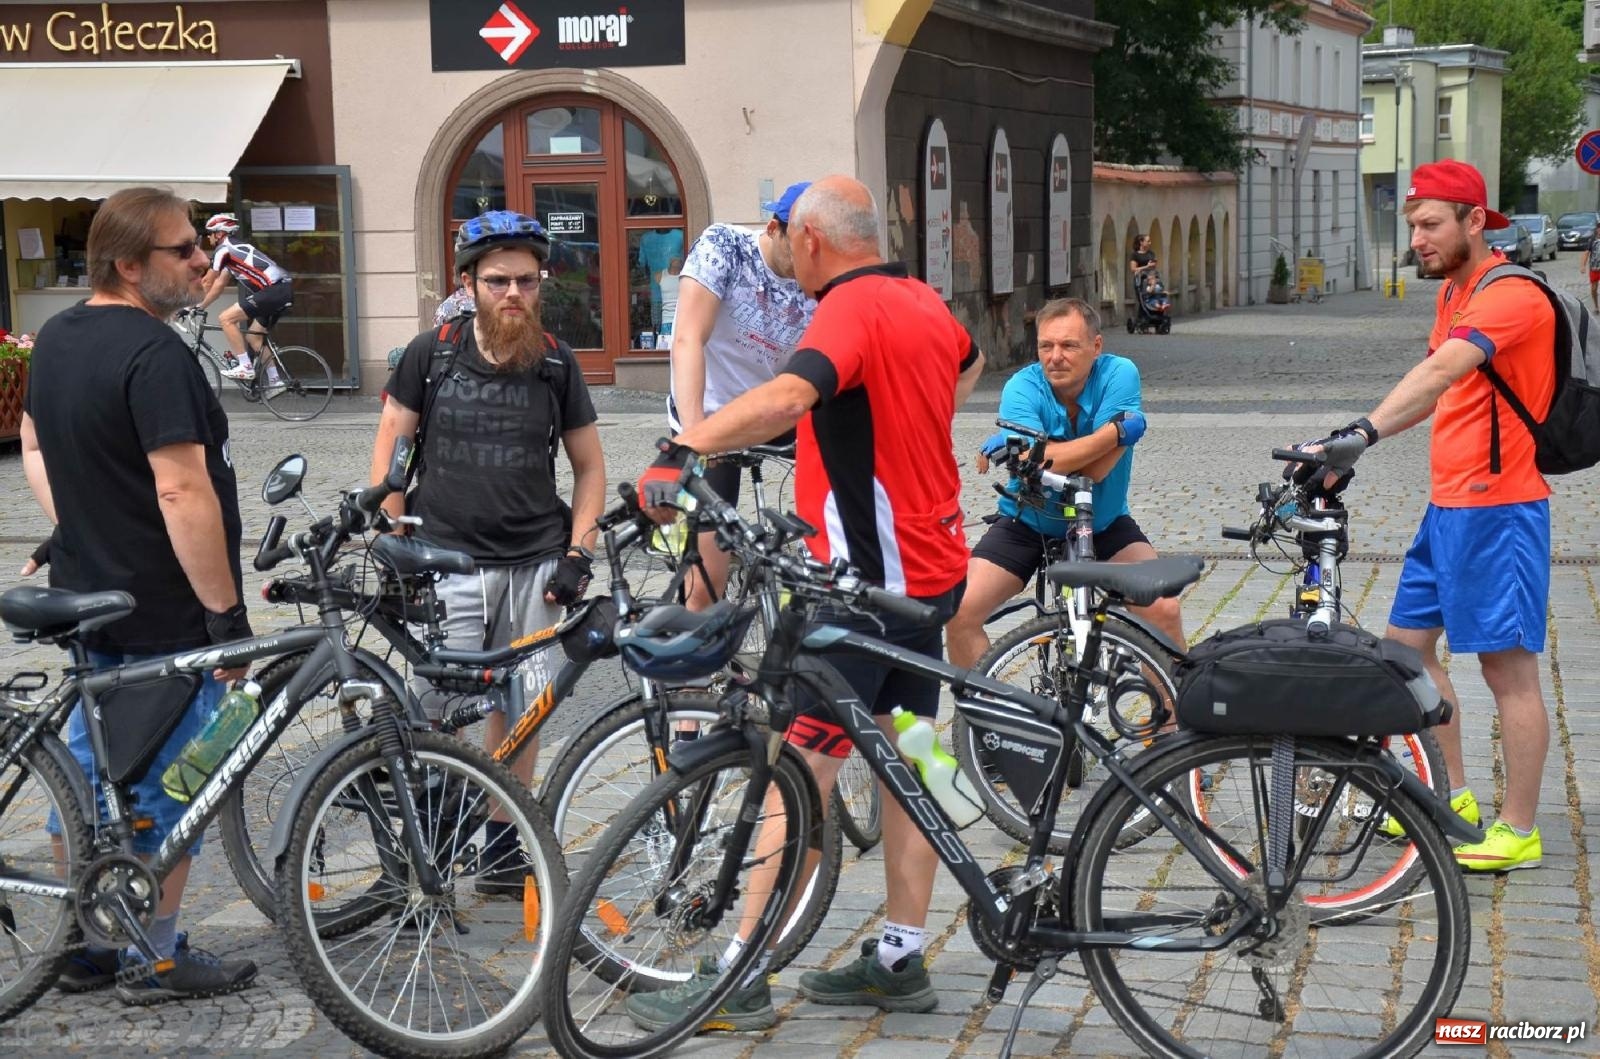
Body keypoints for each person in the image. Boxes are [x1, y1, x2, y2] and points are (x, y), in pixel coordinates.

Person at [627, 175, 985, 1032]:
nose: (780, 247)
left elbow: (789, 395)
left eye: (785, 234)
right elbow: (967, 364)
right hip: (931, 572)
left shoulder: (849, 308)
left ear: (812, 239)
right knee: (908, 758)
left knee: (794, 771)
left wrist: (687, 444)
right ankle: (899, 955)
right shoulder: (922, 299)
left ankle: (736, 969)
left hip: (865, 583)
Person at [19, 186, 258, 1003]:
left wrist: (76, 519)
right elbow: (182, 492)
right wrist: (225, 616)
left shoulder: (55, 337)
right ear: (128, 263)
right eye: (183, 248)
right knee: (172, 787)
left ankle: (86, 943)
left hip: (88, 594)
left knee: (87, 778)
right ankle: (151, 956)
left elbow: (35, 441)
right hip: (162, 611)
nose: (203, 260)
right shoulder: (154, 355)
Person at [1299, 159, 1552, 873]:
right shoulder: (1455, 294)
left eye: (1431, 224)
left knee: (1509, 671)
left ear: (1477, 220)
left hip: (1499, 509)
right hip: (1450, 506)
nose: (1417, 238)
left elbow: (1442, 374)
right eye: (1412, 225)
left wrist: (1362, 434)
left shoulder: (1510, 295)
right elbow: (1436, 394)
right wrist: (1352, 442)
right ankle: (1454, 794)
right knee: (1406, 650)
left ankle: (1520, 828)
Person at [371, 210, 606, 895]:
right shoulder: (431, 353)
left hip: (535, 559)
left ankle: (506, 843)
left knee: (523, 705)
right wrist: (394, 536)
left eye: (526, 282)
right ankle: (436, 844)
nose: (513, 294)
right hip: (447, 559)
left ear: (542, 285)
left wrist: (578, 550)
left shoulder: (557, 363)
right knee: (444, 708)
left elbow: (589, 466)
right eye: (498, 280)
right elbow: (390, 445)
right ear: (468, 282)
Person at [945, 297, 1181, 669]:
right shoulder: (1021, 387)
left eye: (1069, 345)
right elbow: (1030, 462)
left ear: (1096, 346)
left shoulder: (1119, 374)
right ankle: (987, 720)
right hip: (1027, 520)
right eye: (1046, 345)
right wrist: (1117, 432)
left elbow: (1097, 472)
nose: (1055, 356)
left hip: (1103, 522)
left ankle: (1171, 725)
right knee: (959, 614)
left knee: (1163, 608)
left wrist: (1040, 452)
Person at [668, 180, 816, 610]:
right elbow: (688, 339)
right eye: (798, 247)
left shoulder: (820, 274)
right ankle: (695, 659)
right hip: (713, 413)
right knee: (708, 567)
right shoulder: (726, 246)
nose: (806, 262)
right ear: (774, 228)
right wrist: (694, 438)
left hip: (778, 411)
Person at [194, 213, 293, 381]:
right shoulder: (233, 252)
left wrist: (188, 306)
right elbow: (218, 286)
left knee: (226, 319)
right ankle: (275, 381)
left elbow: (207, 281)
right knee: (254, 337)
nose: (208, 237)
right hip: (281, 291)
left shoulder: (223, 250)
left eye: (210, 233)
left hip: (273, 291)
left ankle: (245, 367)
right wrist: (200, 307)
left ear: (219, 233)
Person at [1584, 221, 1600, 311]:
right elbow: (1587, 252)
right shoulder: (1592, 240)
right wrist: (1583, 265)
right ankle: (1596, 306)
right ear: (1597, 230)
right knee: (1593, 288)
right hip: (1594, 267)